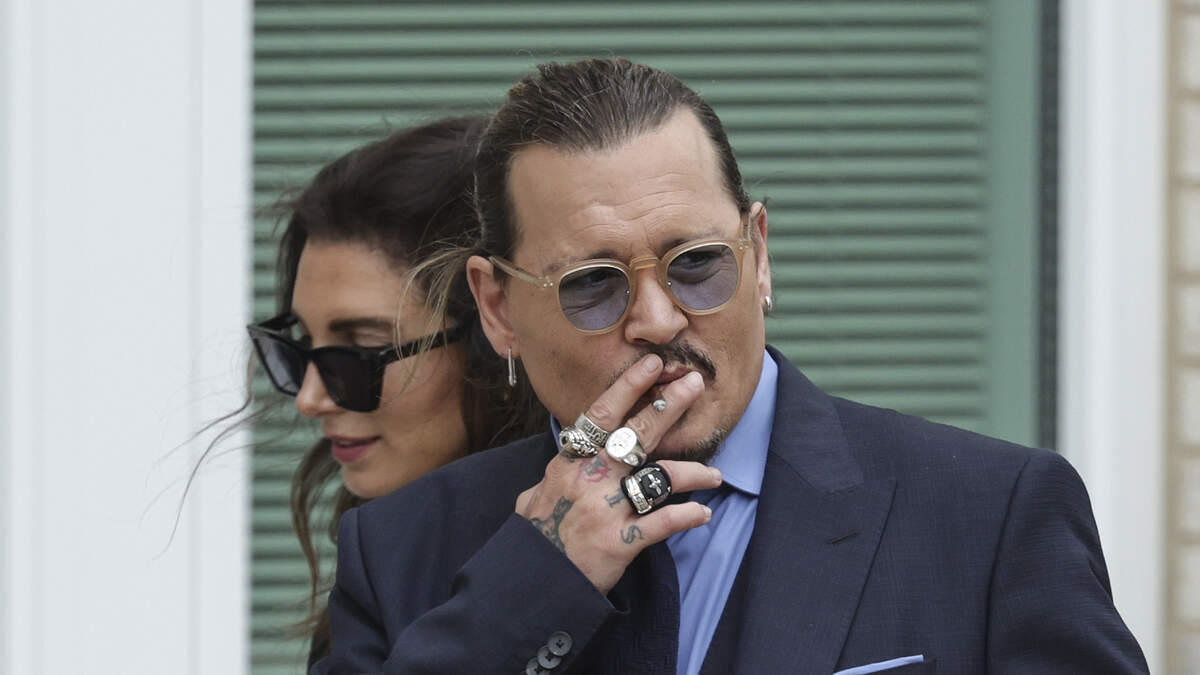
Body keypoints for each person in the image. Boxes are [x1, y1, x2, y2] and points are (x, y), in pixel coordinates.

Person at [312, 60, 1147, 674]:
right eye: (593, 285)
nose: (659, 319)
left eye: (697, 264)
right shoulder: (397, 552)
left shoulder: (989, 515)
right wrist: (533, 586)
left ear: (760, 254)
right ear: (497, 307)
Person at [244, 116, 545, 664]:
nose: (310, 398)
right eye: (302, 347)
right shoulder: (382, 576)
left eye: (359, 352)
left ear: (495, 335)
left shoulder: (615, 570)